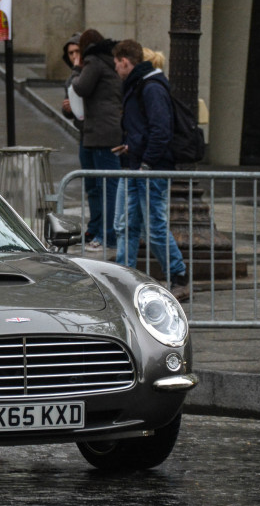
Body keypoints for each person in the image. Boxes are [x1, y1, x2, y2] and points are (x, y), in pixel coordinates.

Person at [110, 38, 190, 302]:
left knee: (153, 226)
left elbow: (160, 130)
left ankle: (178, 275)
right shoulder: (141, 85)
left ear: (124, 62)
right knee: (127, 224)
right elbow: (147, 129)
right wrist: (130, 147)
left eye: (116, 63)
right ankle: (124, 277)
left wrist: (146, 161)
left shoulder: (149, 87)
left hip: (148, 168)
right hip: (138, 164)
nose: (115, 69)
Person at [62, 29, 123, 253]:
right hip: (96, 132)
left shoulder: (94, 62)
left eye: (79, 51)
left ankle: (107, 235)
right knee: (100, 186)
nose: (76, 58)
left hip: (100, 133)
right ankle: (99, 230)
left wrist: (78, 69)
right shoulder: (106, 62)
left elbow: (79, 87)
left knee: (105, 187)